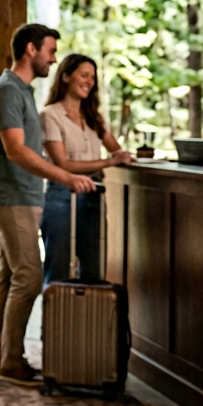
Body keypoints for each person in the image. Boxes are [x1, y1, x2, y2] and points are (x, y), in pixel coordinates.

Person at [0, 24, 95, 388]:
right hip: (13, 197)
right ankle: (12, 363)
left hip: (22, 196)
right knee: (30, 278)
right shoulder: (8, 91)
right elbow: (16, 150)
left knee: (10, 277)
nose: (53, 58)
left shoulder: (20, 91)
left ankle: (2, 356)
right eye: (49, 51)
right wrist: (63, 177)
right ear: (31, 49)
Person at [39, 54, 134, 288]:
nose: (89, 82)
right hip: (61, 196)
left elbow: (118, 151)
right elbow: (63, 164)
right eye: (84, 75)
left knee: (93, 268)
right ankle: (55, 323)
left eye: (93, 77)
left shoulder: (94, 118)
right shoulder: (49, 115)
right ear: (65, 76)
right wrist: (108, 162)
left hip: (92, 197)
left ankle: (87, 322)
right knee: (59, 268)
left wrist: (133, 157)